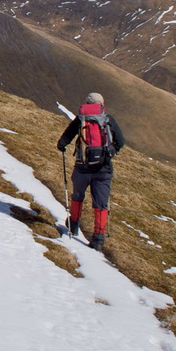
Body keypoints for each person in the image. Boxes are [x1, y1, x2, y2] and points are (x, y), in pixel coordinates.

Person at [57, 92, 125, 250]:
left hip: (83, 166)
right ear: (101, 105)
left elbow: (67, 136)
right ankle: (98, 238)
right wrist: (110, 152)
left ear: (87, 103)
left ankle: (73, 224)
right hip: (103, 168)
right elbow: (120, 141)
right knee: (101, 202)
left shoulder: (81, 119)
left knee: (78, 195)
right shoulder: (108, 119)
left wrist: (62, 145)